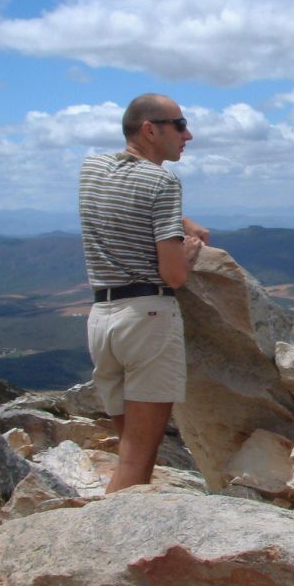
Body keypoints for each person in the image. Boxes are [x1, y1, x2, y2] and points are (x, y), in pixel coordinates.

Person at [78, 93, 209, 492]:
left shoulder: (92, 167)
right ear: (150, 130)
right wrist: (187, 250)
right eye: (180, 124)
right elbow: (173, 275)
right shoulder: (164, 181)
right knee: (137, 462)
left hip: (102, 321)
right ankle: (104, 546)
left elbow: (130, 192)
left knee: (130, 451)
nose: (189, 135)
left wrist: (180, 218)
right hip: (148, 320)